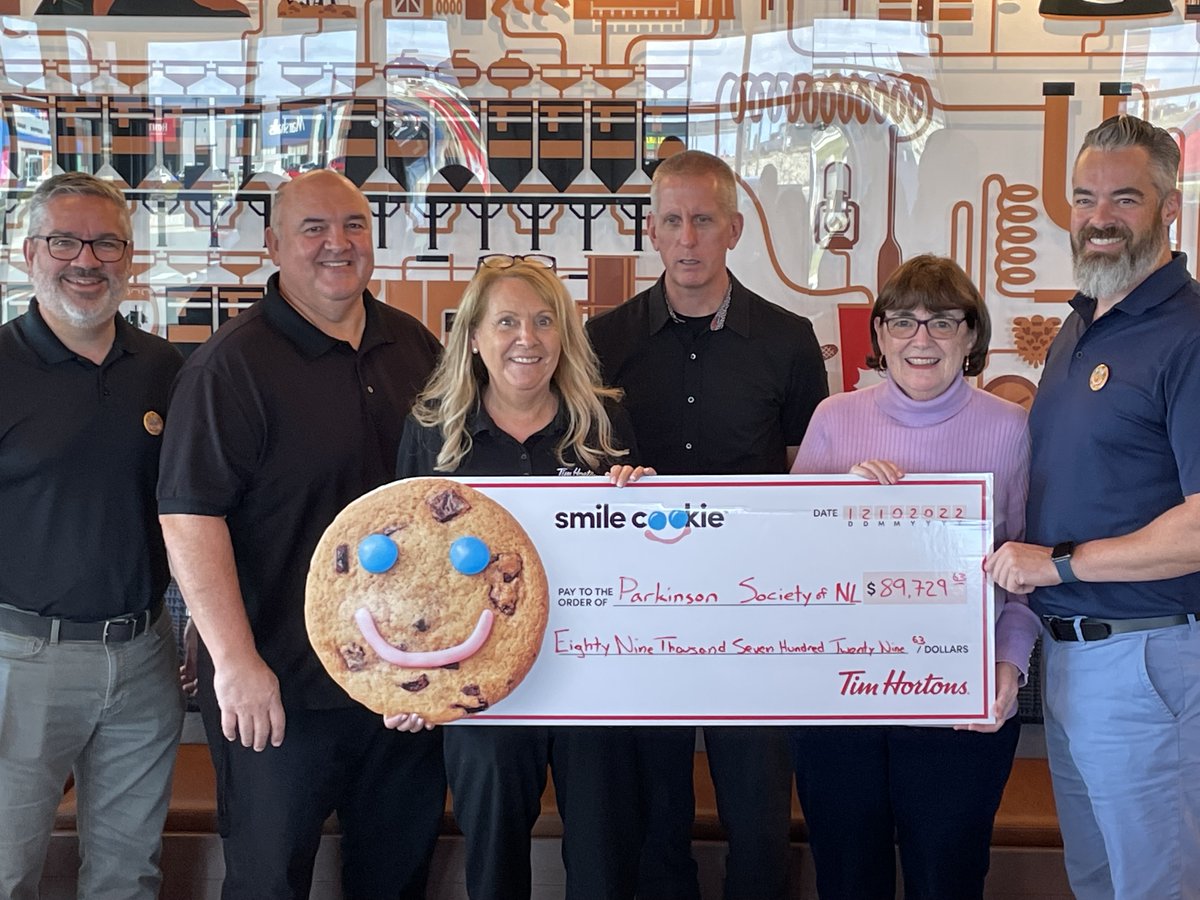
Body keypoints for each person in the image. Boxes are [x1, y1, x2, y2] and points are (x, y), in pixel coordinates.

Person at [157, 169, 446, 900]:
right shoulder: (230, 366)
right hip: (278, 691)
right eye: (314, 228)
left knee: (395, 878)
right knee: (267, 883)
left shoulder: (414, 348)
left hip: (398, 691)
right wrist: (236, 662)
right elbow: (190, 517)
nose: (336, 244)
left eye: (352, 225)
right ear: (274, 244)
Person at [586, 149, 828, 900]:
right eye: (671, 222)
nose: (687, 238)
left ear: (734, 228)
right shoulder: (602, 340)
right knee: (657, 813)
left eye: (703, 220)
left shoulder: (790, 342)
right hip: (640, 612)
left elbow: (806, 479)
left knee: (758, 813)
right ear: (650, 233)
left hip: (753, 613)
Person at [988, 114, 1200, 899]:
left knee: (1155, 886)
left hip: (1148, 660)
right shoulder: (1083, 323)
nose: (1099, 217)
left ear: (1170, 208)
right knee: (1101, 880)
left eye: (1125, 199)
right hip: (1076, 654)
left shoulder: (1189, 334)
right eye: (1084, 198)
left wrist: (1063, 563)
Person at [393, 254, 648, 899]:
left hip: (592, 677)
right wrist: (408, 680)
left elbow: (637, 559)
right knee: (494, 856)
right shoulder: (433, 432)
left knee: (602, 856)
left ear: (564, 335)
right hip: (482, 682)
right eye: (506, 322)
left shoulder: (605, 424)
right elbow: (403, 572)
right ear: (474, 337)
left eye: (543, 321)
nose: (526, 339)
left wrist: (645, 505)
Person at [791, 254, 1038, 899]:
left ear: (972, 336)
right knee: (847, 876)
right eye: (902, 321)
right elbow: (786, 560)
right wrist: (835, 504)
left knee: (947, 877)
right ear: (878, 336)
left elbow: (1024, 567)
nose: (920, 339)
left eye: (942, 321)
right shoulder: (833, 420)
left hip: (959, 698)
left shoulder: (1011, 430)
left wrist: (1008, 668)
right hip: (838, 695)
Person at [0, 173, 185, 899]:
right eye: (64, 241)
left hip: (144, 661)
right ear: (27, 253)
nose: (87, 259)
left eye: (106, 241)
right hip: (22, 663)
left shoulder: (165, 369)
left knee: (127, 877)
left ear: (130, 257)